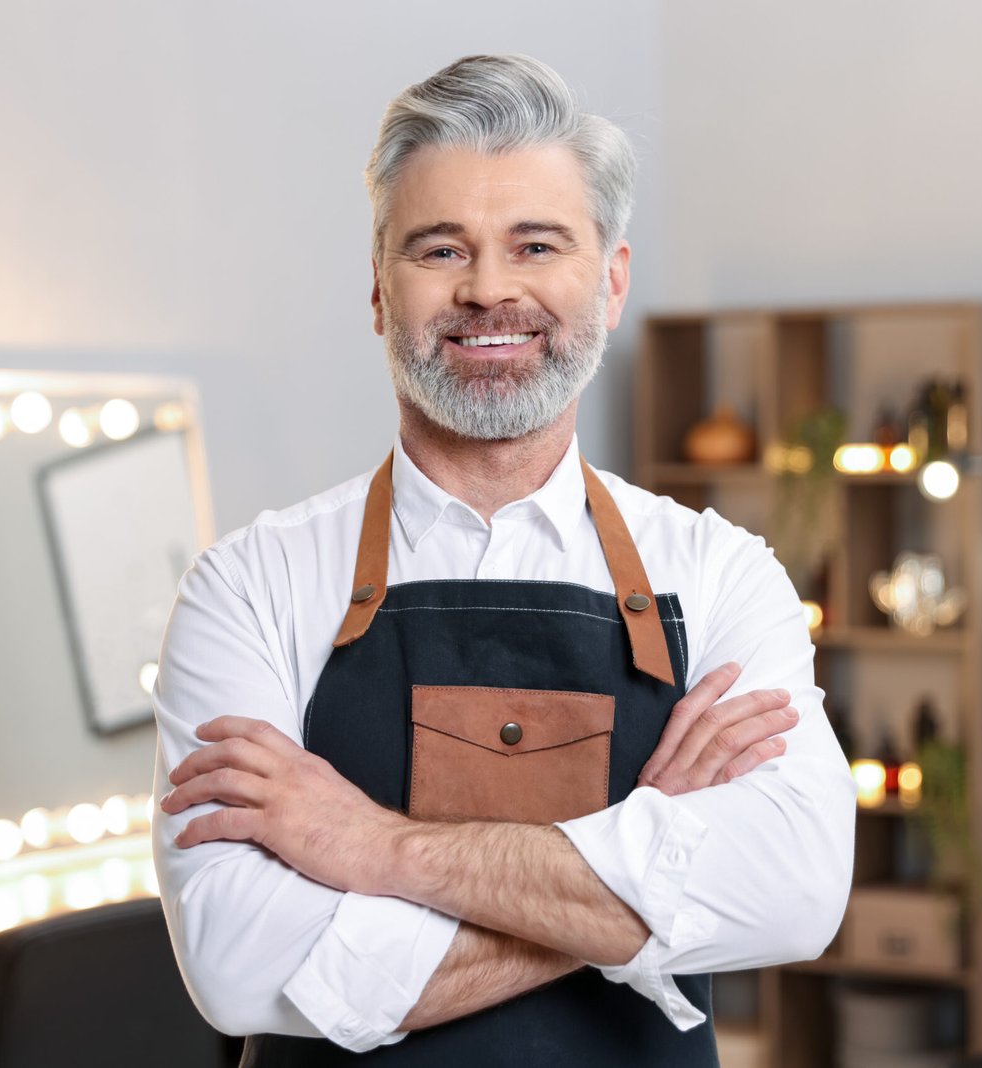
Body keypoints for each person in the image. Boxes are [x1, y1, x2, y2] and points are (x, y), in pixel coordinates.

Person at [152, 54, 855, 1066]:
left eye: (536, 245)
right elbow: (239, 966)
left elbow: (791, 896)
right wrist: (646, 860)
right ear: (379, 292)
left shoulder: (721, 575)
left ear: (609, 282)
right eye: (440, 250)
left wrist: (375, 849)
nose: (489, 291)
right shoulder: (248, 586)